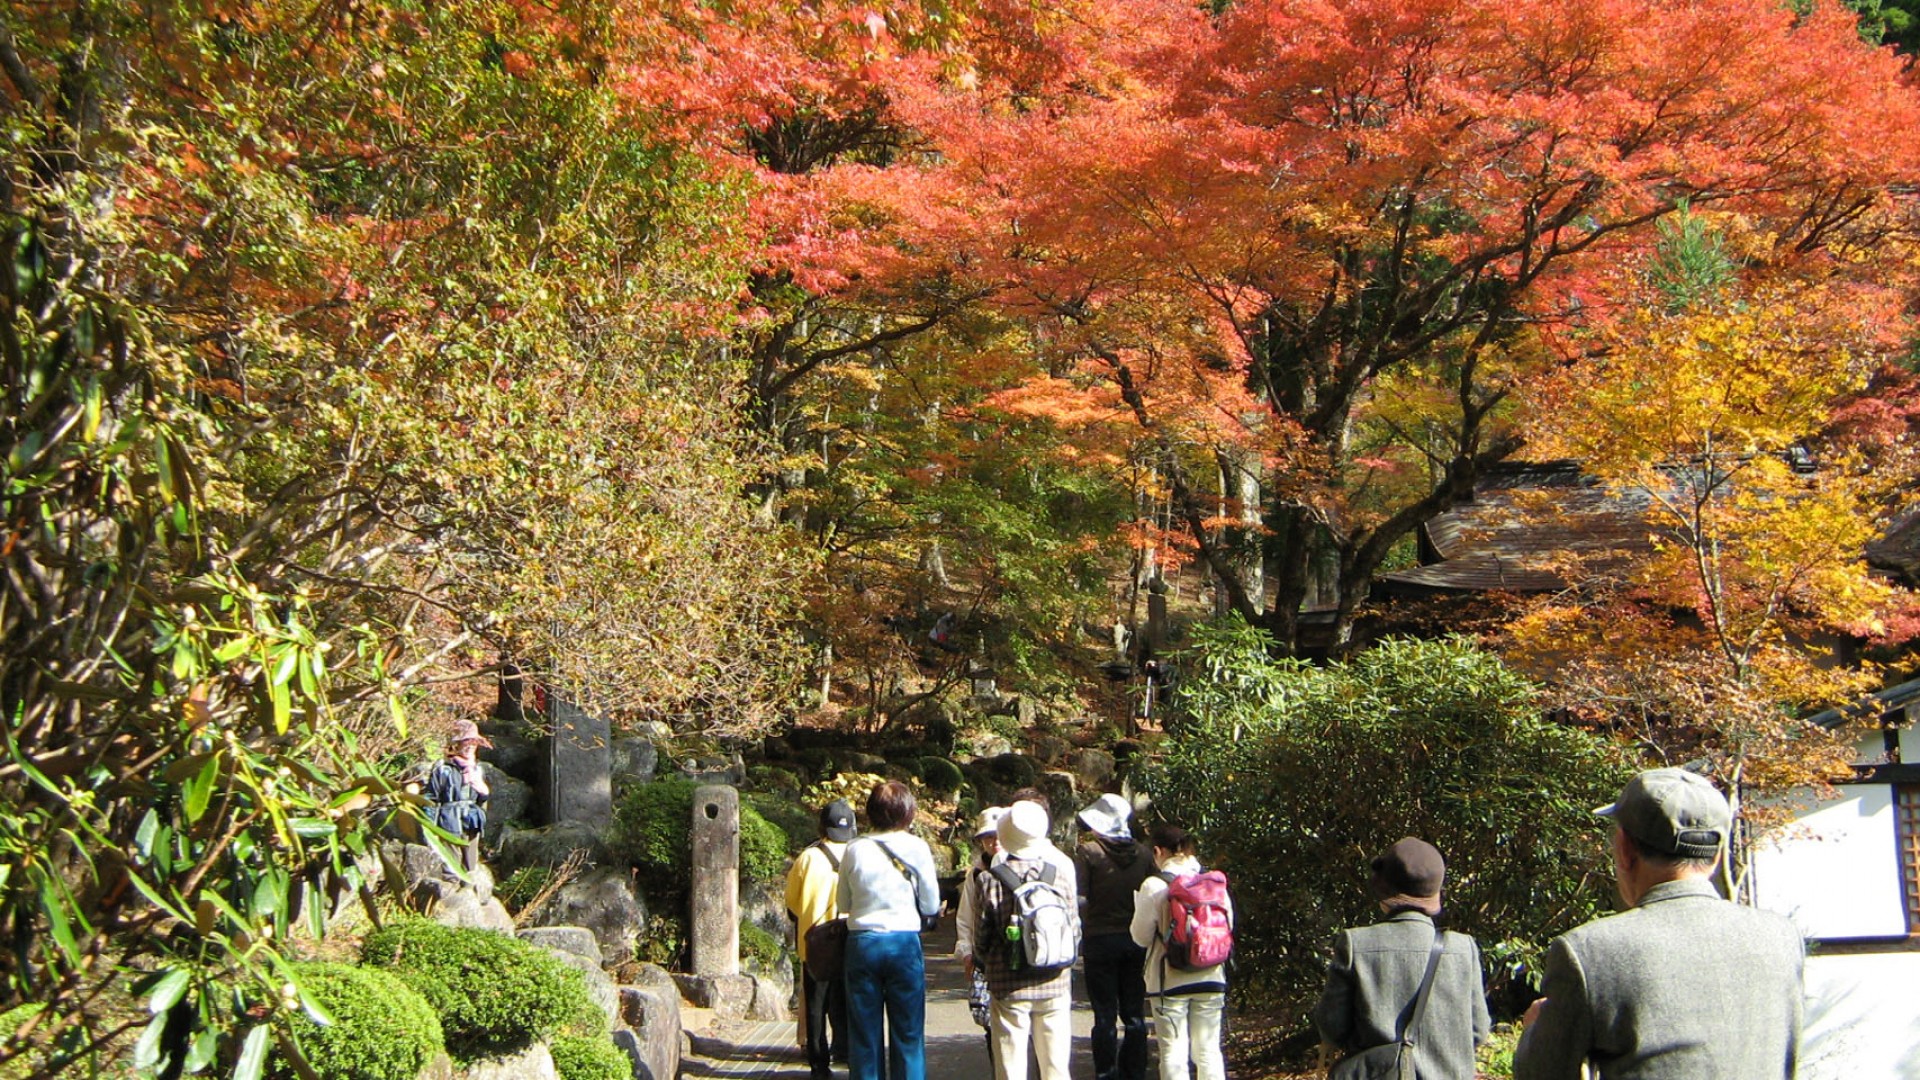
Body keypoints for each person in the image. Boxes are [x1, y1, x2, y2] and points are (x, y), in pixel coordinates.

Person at [1512, 767, 1805, 1080]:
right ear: (1717, 855)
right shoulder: (1782, 937)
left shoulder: (1589, 952)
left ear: (1623, 848)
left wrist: (1533, 1033)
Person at [1309, 837, 1491, 1080]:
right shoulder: (1462, 948)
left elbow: (1332, 1029)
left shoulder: (1355, 944)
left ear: (1384, 888)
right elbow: (1478, 1032)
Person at [837, 782, 941, 1080]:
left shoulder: (854, 849)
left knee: (864, 1035)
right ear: (907, 812)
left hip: (862, 942)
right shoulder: (917, 848)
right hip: (904, 942)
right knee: (908, 1032)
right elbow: (931, 903)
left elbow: (843, 902)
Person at [980, 800, 1081, 1080]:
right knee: (1056, 1066)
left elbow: (982, 936)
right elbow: (1074, 928)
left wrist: (984, 962)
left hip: (1008, 982)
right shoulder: (1058, 873)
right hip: (1054, 981)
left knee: (1011, 1067)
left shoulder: (990, 880)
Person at [1130, 824, 1229, 1080]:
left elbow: (1140, 938)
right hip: (1211, 976)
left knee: (1173, 1052)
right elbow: (1229, 926)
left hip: (1168, 980)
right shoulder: (1214, 882)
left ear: (1157, 851)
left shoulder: (1154, 885)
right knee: (1208, 1050)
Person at [1075, 794, 1154, 1080]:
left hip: (1099, 940)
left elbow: (1080, 898)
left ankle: (1106, 1073)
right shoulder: (1145, 854)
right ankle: (1134, 1073)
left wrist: (1078, 931)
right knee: (1134, 1013)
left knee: (1104, 1014)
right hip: (1136, 941)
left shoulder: (1089, 852)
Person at [788, 800, 857, 1080]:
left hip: (815, 943)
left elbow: (792, 901)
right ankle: (849, 1052)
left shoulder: (807, 857)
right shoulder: (859, 853)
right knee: (848, 999)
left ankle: (819, 1063)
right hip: (851, 939)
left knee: (816, 1004)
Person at [956, 807, 1010, 1065]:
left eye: (998, 835)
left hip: (1020, 956)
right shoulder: (976, 874)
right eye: (987, 837)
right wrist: (966, 952)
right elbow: (965, 916)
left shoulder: (1022, 864)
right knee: (991, 1024)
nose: (994, 841)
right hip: (986, 958)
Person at [424, 719, 491, 873]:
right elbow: (430, 798)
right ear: (457, 744)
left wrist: (484, 793)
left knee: (470, 868)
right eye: (465, 742)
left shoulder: (478, 770)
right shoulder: (443, 769)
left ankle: (468, 894)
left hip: (472, 823)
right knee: (451, 868)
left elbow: (482, 802)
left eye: (473, 742)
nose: (470, 746)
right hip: (448, 822)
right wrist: (429, 829)